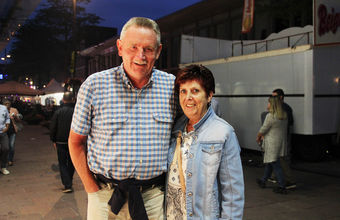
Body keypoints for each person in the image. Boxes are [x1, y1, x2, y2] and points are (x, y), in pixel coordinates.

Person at [69, 17, 177, 220]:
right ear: (119, 47)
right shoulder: (94, 86)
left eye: (148, 49)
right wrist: (91, 187)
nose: (140, 56)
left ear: (159, 51)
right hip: (105, 197)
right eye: (133, 47)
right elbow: (75, 142)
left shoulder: (172, 86)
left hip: (153, 198)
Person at [166, 65, 244, 219]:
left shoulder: (223, 133)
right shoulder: (176, 128)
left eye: (195, 91)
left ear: (209, 96)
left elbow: (233, 194)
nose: (188, 97)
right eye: (183, 91)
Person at [256, 96, 288, 194]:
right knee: (271, 163)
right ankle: (263, 180)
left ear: (273, 104)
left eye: (269, 103)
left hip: (271, 143)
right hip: (279, 143)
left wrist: (258, 137)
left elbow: (263, 129)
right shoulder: (284, 115)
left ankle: (282, 186)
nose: (268, 105)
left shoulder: (270, 116)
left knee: (275, 164)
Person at [268, 88, 296, 189]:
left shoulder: (283, 108)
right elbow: (291, 122)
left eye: (274, 96)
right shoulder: (286, 107)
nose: (272, 99)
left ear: (281, 97)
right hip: (283, 135)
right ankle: (274, 176)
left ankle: (289, 180)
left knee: (282, 158)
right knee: (278, 157)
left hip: (281, 137)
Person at [50, 92, 75, 193]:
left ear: (63, 100)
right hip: (73, 141)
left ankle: (67, 184)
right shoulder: (76, 111)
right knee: (72, 162)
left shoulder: (58, 112)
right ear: (73, 99)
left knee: (62, 163)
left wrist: (53, 139)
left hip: (60, 141)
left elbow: (53, 127)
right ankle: (69, 180)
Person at [3, 99, 23, 166]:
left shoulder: (14, 110)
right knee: (5, 147)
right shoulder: (1, 110)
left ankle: (10, 160)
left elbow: (19, 119)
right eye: (5, 104)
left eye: (8, 103)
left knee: (11, 146)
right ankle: (4, 159)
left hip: (12, 131)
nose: (7, 105)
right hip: (4, 131)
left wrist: (16, 117)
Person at [0, 102, 10, 175]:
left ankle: (3, 167)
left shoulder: (3, 108)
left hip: (3, 131)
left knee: (6, 148)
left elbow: (7, 118)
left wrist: (7, 127)